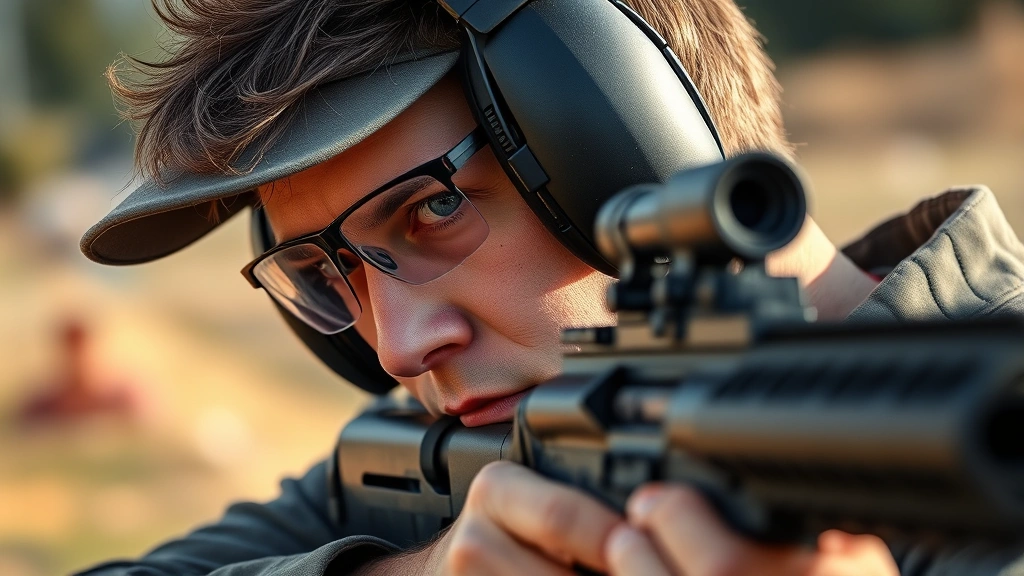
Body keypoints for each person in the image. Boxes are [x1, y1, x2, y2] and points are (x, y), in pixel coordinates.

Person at [77, 0, 1024, 575]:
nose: (399, 348)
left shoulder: (980, 425)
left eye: (431, 210)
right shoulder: (457, 462)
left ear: (630, 142)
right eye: (331, 274)